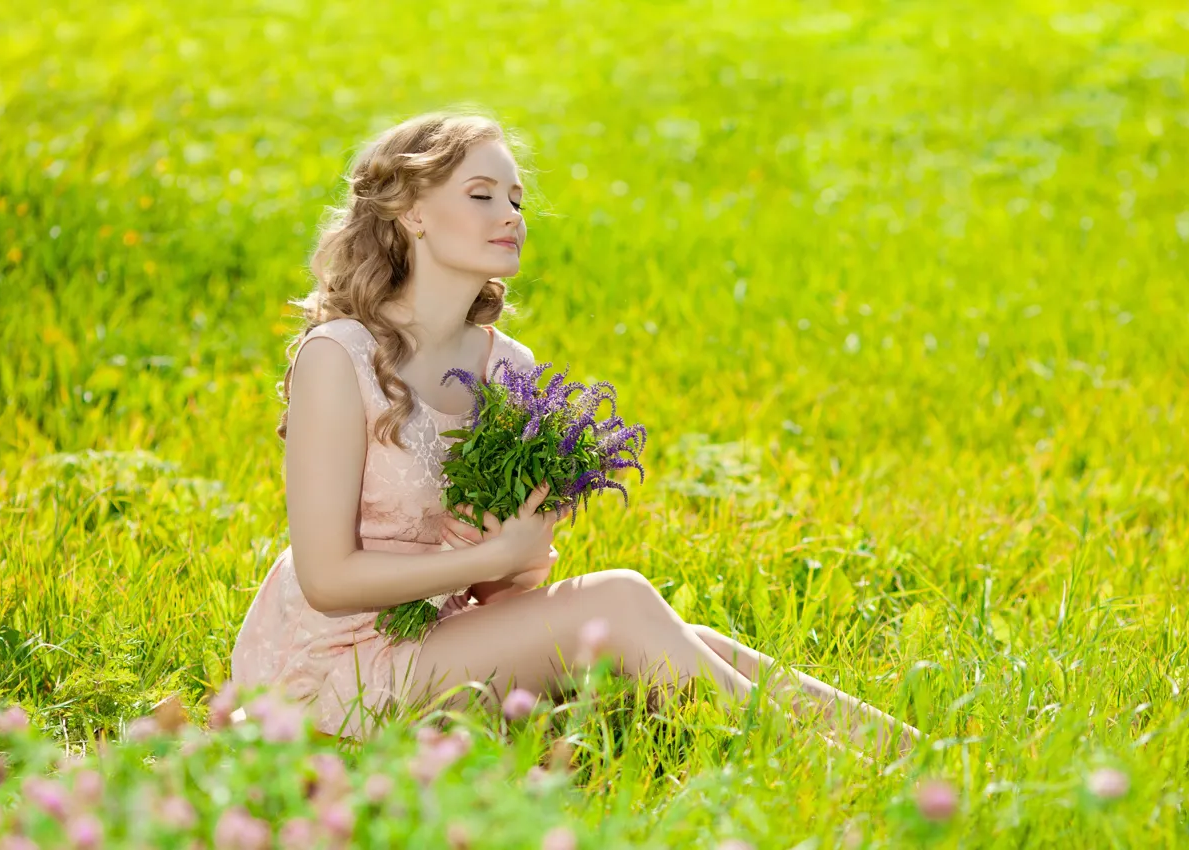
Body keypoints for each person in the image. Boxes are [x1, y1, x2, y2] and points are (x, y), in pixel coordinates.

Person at [229, 108, 921, 755]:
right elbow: (325, 578)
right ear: (411, 213)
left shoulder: (507, 368)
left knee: (682, 636)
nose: (511, 216)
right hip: (337, 671)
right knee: (619, 600)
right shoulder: (339, 357)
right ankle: (820, 769)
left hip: (443, 642)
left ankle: (914, 755)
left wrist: (521, 552)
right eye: (482, 195)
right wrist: (487, 561)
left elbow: (507, 597)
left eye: (517, 200)